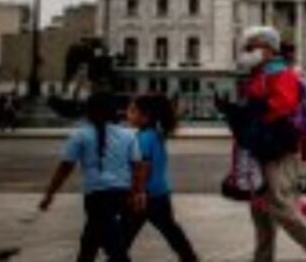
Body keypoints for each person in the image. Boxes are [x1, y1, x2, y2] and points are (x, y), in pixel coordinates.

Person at [222, 26, 306, 262]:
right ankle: (263, 257)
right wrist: (239, 113)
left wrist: (252, 116)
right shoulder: (260, 73)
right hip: (261, 147)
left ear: (268, 49)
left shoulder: (280, 73)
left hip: (276, 149)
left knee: (275, 203)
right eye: (246, 47)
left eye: (252, 47)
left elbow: (282, 105)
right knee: (259, 208)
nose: (247, 51)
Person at [39, 91, 147, 262]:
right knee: (91, 241)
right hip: (122, 194)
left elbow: (65, 168)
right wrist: (138, 193)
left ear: (89, 111)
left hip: (97, 197)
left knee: (114, 248)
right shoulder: (128, 135)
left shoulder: (80, 135)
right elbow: (138, 167)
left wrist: (50, 194)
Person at [126, 93, 199, 261]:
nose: (127, 114)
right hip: (160, 194)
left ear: (145, 117)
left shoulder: (143, 138)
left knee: (123, 238)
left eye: (132, 111)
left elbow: (143, 167)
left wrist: (138, 192)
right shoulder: (156, 134)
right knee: (172, 233)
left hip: (144, 196)